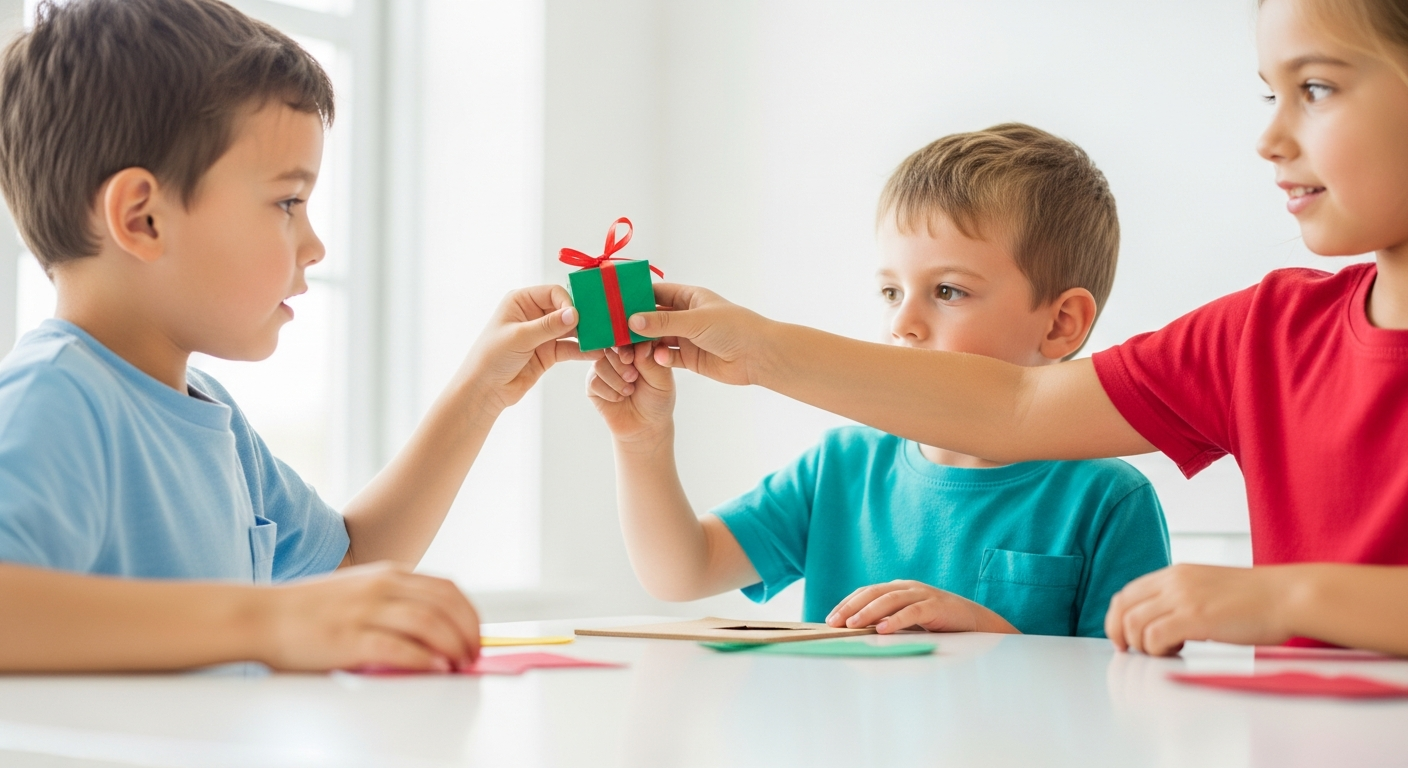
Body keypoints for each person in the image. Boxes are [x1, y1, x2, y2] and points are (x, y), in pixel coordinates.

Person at [614, 0, 1408, 656]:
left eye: (1318, 88)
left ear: (1064, 320)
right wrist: (712, 376)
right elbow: (1017, 407)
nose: (1268, 141)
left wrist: (1287, 596)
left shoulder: (1104, 498)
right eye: (1273, 94)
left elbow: (1115, 683)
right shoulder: (1262, 336)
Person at [0, 0, 594, 672]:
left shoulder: (208, 413)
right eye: (287, 202)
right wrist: (272, 622)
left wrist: (480, 393)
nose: (314, 245)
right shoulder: (54, 396)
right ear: (143, 219)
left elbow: (347, 563)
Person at [588, 124, 1170, 637]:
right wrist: (642, 443)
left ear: (1061, 323)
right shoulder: (841, 467)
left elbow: (1129, 691)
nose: (902, 323)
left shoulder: (1109, 499)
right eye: (892, 291)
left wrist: (985, 630)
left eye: (948, 291)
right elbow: (680, 571)